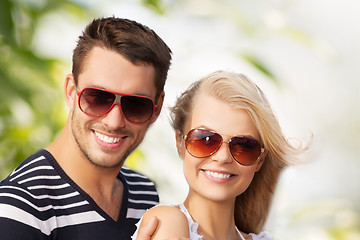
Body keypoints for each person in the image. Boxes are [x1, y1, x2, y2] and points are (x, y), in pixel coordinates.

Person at [0, 17, 172, 239]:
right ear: (72, 91)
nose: (114, 121)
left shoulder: (144, 193)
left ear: (157, 108)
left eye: (136, 105)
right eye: (98, 97)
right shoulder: (19, 208)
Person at [133, 70, 307, 240]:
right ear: (180, 142)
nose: (223, 157)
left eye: (244, 146)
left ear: (260, 159)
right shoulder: (166, 221)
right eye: (205, 139)